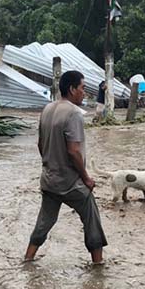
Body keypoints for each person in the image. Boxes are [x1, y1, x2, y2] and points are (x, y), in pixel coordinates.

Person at [24, 70, 108, 264]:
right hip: (70, 183)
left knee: (44, 221)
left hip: (49, 179)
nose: (84, 93)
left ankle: (28, 259)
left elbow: (40, 144)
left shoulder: (47, 109)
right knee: (91, 218)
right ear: (72, 89)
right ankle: (98, 265)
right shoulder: (74, 113)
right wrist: (86, 178)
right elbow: (74, 151)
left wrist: (50, 164)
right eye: (82, 88)